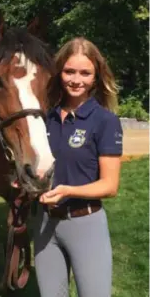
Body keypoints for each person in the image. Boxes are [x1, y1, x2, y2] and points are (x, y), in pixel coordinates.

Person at [33, 37, 123, 297]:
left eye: (85, 73)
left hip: (86, 224)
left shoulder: (105, 121)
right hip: (44, 225)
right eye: (69, 71)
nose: (76, 79)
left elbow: (110, 185)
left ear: (95, 78)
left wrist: (67, 191)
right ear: (59, 72)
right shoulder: (45, 118)